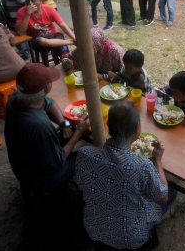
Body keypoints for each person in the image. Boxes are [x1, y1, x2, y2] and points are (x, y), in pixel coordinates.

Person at [74, 101, 175, 250]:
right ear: (137, 128)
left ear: (109, 125)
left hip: (95, 227)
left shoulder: (85, 154)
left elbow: (81, 186)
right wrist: (158, 163)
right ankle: (148, 237)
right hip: (131, 237)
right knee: (171, 192)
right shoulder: (142, 165)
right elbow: (162, 197)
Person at [5, 63, 90, 193]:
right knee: (88, 155)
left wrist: (63, 124)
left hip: (23, 165)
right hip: (40, 178)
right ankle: (86, 190)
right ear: (47, 88)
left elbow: (48, 102)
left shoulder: (16, 98)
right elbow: (57, 162)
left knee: (66, 135)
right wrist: (78, 131)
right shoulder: (39, 125)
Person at [15, 0, 76, 67]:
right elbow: (20, 32)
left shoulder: (49, 9)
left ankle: (65, 60)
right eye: (27, 1)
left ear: (40, 0)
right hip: (37, 40)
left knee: (60, 41)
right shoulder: (22, 12)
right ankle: (71, 42)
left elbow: (63, 25)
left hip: (54, 36)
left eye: (33, 0)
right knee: (45, 41)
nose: (30, 3)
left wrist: (74, 37)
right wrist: (27, 14)